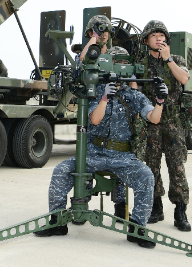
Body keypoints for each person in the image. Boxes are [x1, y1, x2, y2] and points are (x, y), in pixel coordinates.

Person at [35, 46, 168, 249]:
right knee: (61, 171)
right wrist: (105, 97)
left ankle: (137, 228)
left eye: (125, 64)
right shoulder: (94, 91)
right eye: (117, 63)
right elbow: (94, 120)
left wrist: (160, 101)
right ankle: (57, 221)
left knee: (146, 176)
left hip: (122, 156)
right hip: (94, 153)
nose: (122, 69)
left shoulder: (133, 95)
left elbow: (154, 118)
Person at [138, 20, 192, 231]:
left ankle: (180, 210)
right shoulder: (141, 63)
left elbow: (184, 78)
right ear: (146, 40)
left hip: (173, 122)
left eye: (162, 35)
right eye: (154, 35)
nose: (159, 38)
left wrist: (168, 59)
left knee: (176, 165)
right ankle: (156, 206)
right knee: (151, 166)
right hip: (151, 120)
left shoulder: (176, 59)